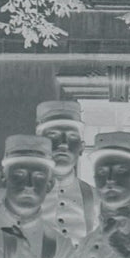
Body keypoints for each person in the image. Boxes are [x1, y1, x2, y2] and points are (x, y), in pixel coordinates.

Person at [31, 100, 98, 247]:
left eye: (72, 136)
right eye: (53, 135)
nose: (63, 143)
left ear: (81, 147)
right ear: (39, 143)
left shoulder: (97, 200)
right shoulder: (15, 197)